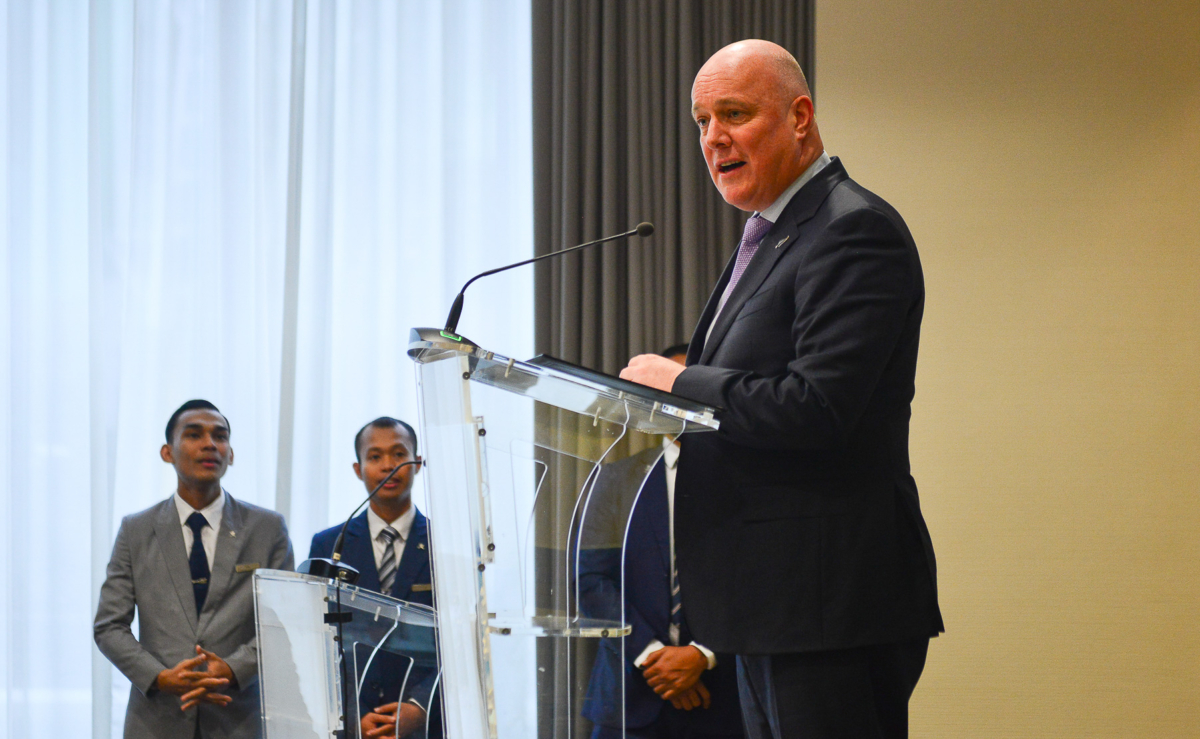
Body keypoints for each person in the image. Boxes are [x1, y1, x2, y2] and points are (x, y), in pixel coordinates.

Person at [619, 40, 944, 739]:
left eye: (734, 114)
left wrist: (681, 382)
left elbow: (819, 406)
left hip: (829, 603)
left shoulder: (853, 230)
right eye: (702, 121)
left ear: (800, 117)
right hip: (773, 602)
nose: (713, 138)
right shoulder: (772, 235)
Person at [95, 400, 294, 739]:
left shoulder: (267, 528)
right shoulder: (136, 530)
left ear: (231, 454)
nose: (209, 444)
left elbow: (284, 623)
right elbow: (109, 626)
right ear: (167, 453)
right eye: (194, 434)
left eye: (220, 436)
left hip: (238, 720)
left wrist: (232, 668)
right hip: (156, 720)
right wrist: (159, 677)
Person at [580, 345, 744, 739]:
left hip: (724, 696)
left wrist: (702, 656)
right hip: (629, 695)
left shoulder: (750, 482)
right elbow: (590, 580)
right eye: (670, 389)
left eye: (690, 387)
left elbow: (763, 581)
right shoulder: (616, 480)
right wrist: (655, 659)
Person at [308, 417, 439, 739]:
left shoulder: (446, 544)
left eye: (399, 454)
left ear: (418, 463)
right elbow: (318, 641)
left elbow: (461, 641)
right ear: (358, 469)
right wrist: (353, 715)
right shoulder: (328, 544)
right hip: (352, 721)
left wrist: (420, 706)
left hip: (425, 722)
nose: (388, 466)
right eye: (375, 456)